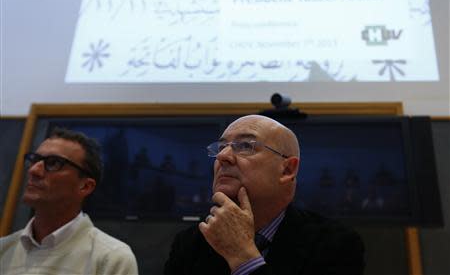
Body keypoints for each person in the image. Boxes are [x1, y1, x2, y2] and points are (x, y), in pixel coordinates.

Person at [164, 115, 365, 275]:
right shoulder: (191, 242)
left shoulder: (335, 244)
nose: (223, 156)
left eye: (245, 146)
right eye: (222, 147)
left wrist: (243, 256)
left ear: (287, 170)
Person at [0, 128, 138, 275]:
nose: (34, 170)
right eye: (34, 160)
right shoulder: (4, 249)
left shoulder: (111, 258)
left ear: (85, 186)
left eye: (53, 163)